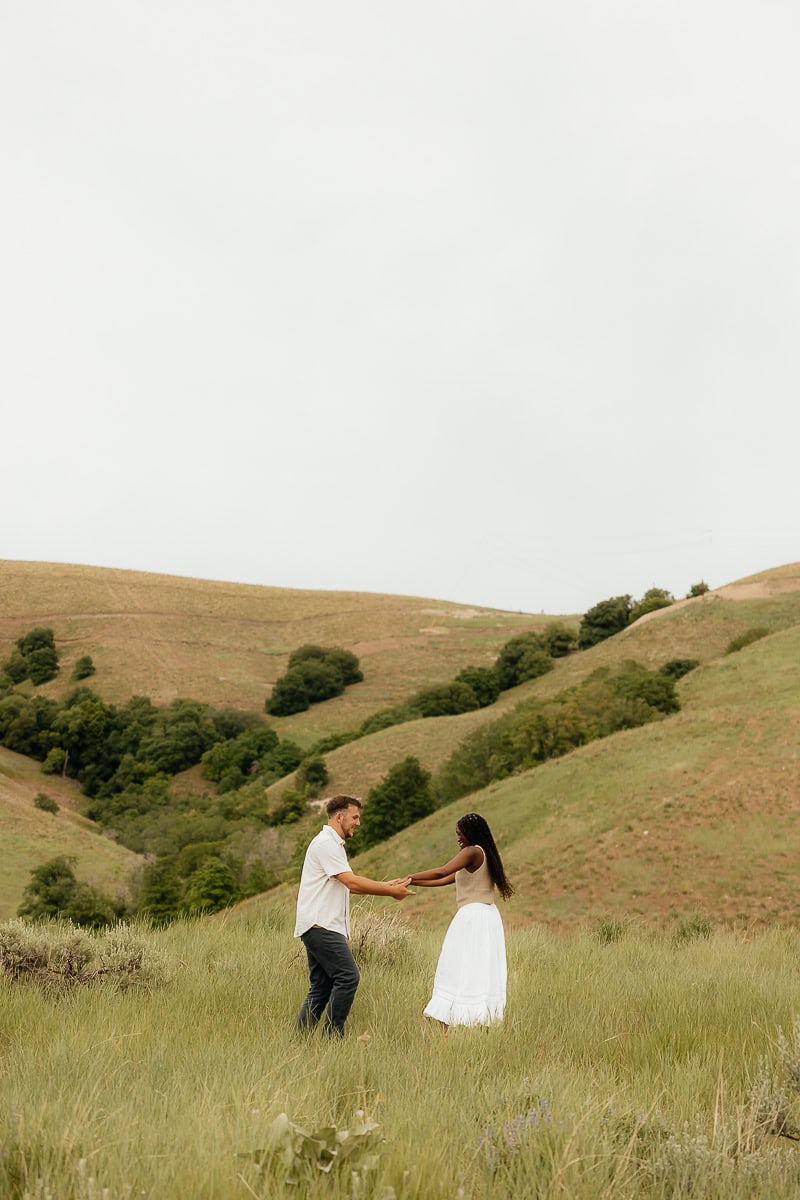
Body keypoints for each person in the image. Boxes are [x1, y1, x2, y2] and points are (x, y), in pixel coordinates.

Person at [294, 794, 414, 1037]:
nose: (358, 823)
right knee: (348, 977)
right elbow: (352, 883)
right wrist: (390, 891)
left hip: (316, 925)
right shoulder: (326, 844)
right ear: (339, 817)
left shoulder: (331, 845)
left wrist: (385, 884)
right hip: (322, 925)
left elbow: (351, 881)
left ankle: (300, 1041)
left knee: (321, 987)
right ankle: (332, 1039)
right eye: (355, 817)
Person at [407, 812, 513, 1033]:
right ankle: (479, 1027)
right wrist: (411, 881)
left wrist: (408, 876)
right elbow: (446, 879)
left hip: (473, 918)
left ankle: (450, 1029)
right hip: (486, 918)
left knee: (455, 968)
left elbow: (442, 871)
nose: (458, 838)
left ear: (469, 833)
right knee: (479, 971)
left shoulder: (472, 852)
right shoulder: (483, 853)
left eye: (459, 834)